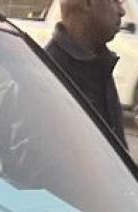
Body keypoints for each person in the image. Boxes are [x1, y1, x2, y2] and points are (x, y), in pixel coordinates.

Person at [41, 0, 130, 148]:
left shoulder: (99, 64)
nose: (122, 12)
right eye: (115, 2)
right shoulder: (47, 74)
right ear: (87, 3)